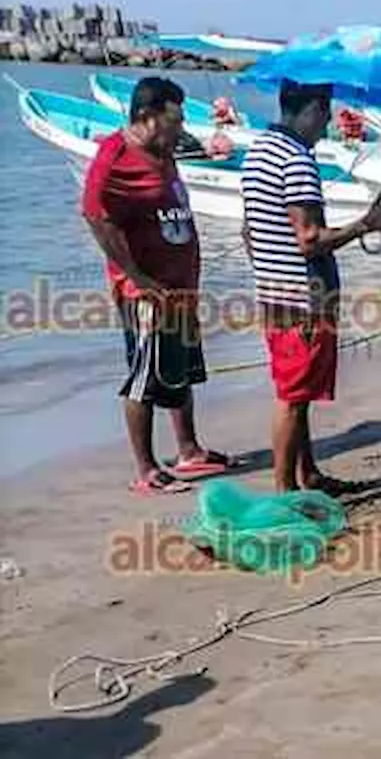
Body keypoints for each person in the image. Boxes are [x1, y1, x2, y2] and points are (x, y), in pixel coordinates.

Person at [81, 77, 233, 495]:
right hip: (145, 291)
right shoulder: (114, 155)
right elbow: (94, 215)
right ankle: (146, 468)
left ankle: (189, 450)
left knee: (178, 368)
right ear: (147, 117)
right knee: (144, 378)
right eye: (175, 119)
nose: (181, 127)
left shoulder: (164, 150)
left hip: (181, 284)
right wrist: (136, 276)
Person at [240, 80, 381, 495]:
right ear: (312, 108)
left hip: (274, 294)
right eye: (326, 111)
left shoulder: (259, 151)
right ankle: (285, 492)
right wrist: (365, 224)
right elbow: (309, 239)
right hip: (303, 300)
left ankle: (307, 475)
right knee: (292, 398)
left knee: (297, 393)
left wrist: (271, 274)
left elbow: (247, 231)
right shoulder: (297, 160)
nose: (328, 122)